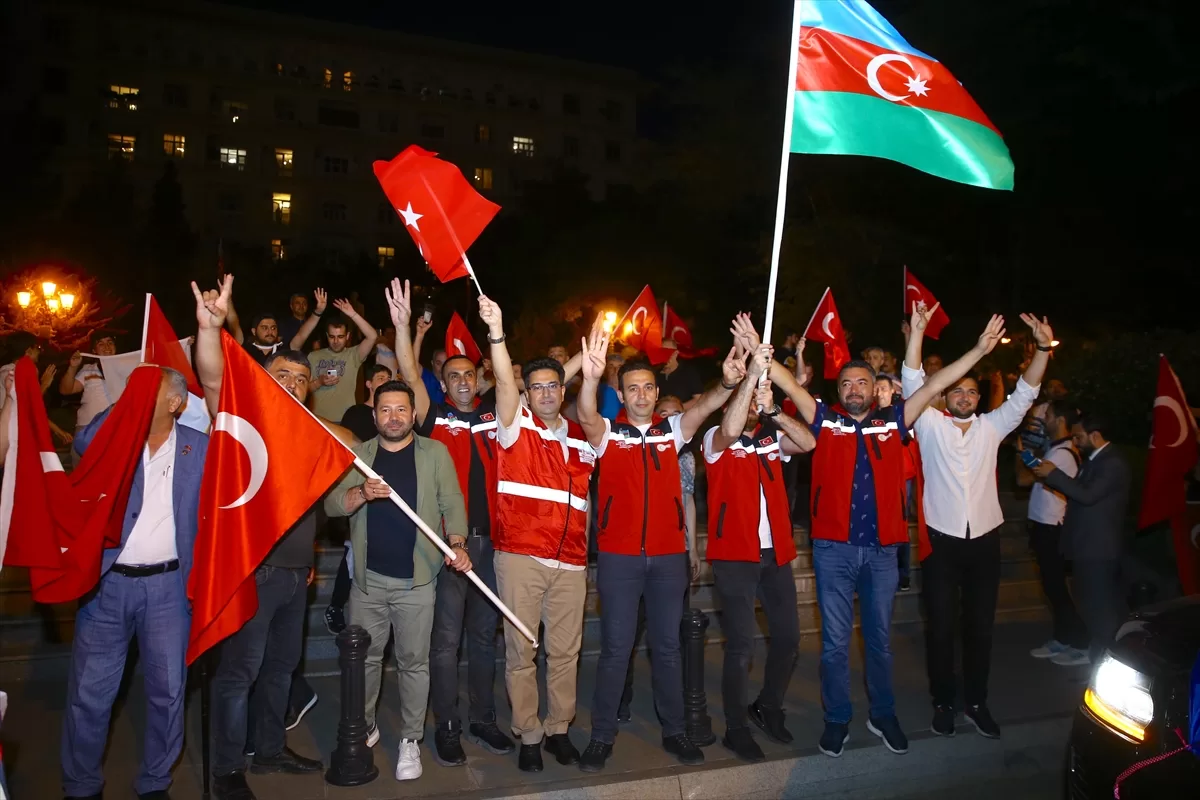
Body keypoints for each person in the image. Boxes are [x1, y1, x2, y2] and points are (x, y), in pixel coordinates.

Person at [772, 303, 1009, 759]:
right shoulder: (825, 421)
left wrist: (980, 351)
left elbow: (935, 384)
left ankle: (882, 714)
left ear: (874, 388)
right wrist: (759, 354)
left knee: (879, 642)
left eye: (862, 382)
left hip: (882, 553)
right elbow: (788, 384)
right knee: (835, 645)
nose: (854, 389)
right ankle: (837, 719)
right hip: (833, 550)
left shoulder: (894, 421)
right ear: (838, 391)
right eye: (846, 383)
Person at [574, 322, 748, 772]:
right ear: (621, 393)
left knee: (668, 649)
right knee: (616, 650)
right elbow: (586, 415)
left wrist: (728, 381)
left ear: (656, 392)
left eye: (648, 387)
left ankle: (675, 731)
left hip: (669, 557)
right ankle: (601, 736)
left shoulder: (672, 430)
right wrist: (590, 379)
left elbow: (705, 406)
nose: (641, 394)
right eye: (632, 388)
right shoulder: (607, 433)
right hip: (619, 558)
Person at [191, 279, 330, 799]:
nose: (293, 384)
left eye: (301, 379)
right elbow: (212, 379)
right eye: (283, 375)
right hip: (255, 570)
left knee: (281, 669)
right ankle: (227, 769)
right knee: (239, 673)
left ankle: (270, 748)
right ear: (264, 378)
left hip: (295, 574)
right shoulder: (243, 421)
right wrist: (211, 329)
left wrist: (309, 556)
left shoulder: (308, 430)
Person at [903, 306, 1054, 739]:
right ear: (944, 395)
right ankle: (944, 702)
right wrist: (917, 334)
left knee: (980, 629)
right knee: (941, 628)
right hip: (941, 542)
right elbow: (913, 380)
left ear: (979, 398)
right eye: (957, 391)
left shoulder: (992, 426)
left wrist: (1043, 348)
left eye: (972, 391)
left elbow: (1026, 392)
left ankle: (976, 702)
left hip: (985, 542)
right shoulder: (928, 424)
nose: (965, 397)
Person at [384, 279, 515, 766]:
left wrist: (496, 332)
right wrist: (403, 327)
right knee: (444, 642)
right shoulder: (434, 417)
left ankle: (483, 719)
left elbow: (513, 383)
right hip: (445, 547)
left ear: (479, 381)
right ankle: (448, 725)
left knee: (482, 638)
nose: (462, 381)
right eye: (453, 375)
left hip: (491, 545)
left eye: (469, 375)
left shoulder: (495, 417)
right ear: (443, 384)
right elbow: (408, 372)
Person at [62, 366, 207, 800]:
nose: (136, 395)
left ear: (175, 403)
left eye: (148, 390)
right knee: (90, 693)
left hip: (168, 589)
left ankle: (155, 782)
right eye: (133, 389)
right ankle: (81, 785)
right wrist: (125, 405)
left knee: (168, 692)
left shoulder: (200, 448)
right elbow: (83, 442)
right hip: (109, 586)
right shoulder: (116, 439)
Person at [324, 380, 471, 783]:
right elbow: (332, 505)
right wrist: (361, 492)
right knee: (365, 661)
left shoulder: (435, 453)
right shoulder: (360, 457)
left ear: (413, 414)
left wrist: (457, 542)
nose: (394, 417)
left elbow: (452, 501)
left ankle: (410, 738)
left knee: (413, 663)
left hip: (417, 582)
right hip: (367, 583)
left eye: (401, 409)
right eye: (385, 410)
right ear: (374, 415)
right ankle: (364, 725)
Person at [478, 294, 597, 773]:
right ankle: (528, 733)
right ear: (525, 395)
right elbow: (505, 378)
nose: (545, 393)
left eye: (553, 386)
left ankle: (558, 729)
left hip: (571, 562)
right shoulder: (513, 426)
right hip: (521, 557)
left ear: (563, 392)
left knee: (565, 652)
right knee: (521, 653)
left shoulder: (584, 438)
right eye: (536, 387)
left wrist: (587, 360)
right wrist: (497, 331)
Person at [702, 319, 816, 762]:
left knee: (788, 639)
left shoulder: (771, 437)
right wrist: (749, 377)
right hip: (735, 556)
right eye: (745, 400)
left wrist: (776, 412)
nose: (750, 406)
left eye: (754, 401)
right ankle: (735, 728)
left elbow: (808, 443)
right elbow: (730, 430)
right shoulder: (716, 439)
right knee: (741, 646)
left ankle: (767, 706)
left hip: (776, 555)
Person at [1033, 413, 1131, 665]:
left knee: (1100, 609)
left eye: (1078, 437)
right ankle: (1096, 655)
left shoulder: (1112, 462)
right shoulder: (1095, 459)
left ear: (1095, 436)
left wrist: (1054, 474)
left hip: (1099, 549)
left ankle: (1103, 661)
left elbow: (1087, 495)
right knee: (1090, 605)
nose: (1075, 442)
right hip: (1086, 546)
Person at [1026, 400, 1088, 664]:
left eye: (1049, 416)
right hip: (1046, 526)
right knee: (1053, 587)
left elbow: (1024, 478)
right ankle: (1064, 638)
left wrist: (1023, 452)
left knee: (1058, 588)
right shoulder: (1057, 449)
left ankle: (1080, 643)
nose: (1044, 420)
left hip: (1053, 527)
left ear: (1061, 420)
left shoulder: (1062, 453)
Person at [304, 300, 378, 422]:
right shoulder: (313, 356)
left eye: (340, 337)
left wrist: (353, 314)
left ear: (347, 336)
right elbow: (304, 389)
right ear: (327, 335)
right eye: (332, 337)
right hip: (318, 419)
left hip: (346, 419)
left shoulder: (354, 354)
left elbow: (372, 336)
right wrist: (319, 382)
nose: (336, 341)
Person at [60, 333, 118, 466]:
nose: (107, 347)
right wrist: (73, 367)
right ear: (94, 351)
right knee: (82, 468)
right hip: (87, 427)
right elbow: (66, 390)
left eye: (110, 342)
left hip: (115, 427)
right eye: (101, 344)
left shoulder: (127, 368)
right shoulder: (87, 370)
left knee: (110, 469)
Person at [340, 363, 394, 443]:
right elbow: (345, 440)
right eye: (381, 378)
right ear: (369, 384)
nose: (387, 382)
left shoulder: (393, 413)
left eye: (389, 379)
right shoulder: (355, 412)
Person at [656, 340, 704, 409]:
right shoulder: (656, 374)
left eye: (668, 352)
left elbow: (698, 399)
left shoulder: (688, 371)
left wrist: (676, 410)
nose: (665, 356)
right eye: (662, 352)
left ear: (676, 353)